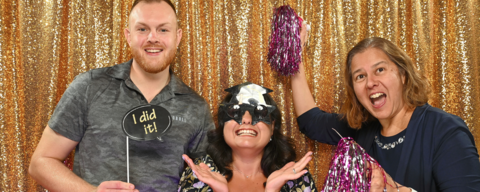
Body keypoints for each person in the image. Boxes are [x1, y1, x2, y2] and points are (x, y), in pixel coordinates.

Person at [28, 0, 215, 191]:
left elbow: (211, 177)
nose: (152, 37)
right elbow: (41, 163)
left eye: (163, 30)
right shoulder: (90, 86)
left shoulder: (195, 107)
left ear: (178, 37)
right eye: (142, 29)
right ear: (128, 36)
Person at [292, 23, 480, 191]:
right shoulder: (361, 128)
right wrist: (294, 55)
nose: (370, 83)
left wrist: (397, 190)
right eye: (360, 76)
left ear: (403, 74)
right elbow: (311, 121)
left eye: (379, 70)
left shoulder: (445, 130)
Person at [178, 82, 317, 192]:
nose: (246, 120)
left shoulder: (295, 177)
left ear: (273, 127)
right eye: (235, 112)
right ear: (222, 125)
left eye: (259, 112)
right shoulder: (201, 173)